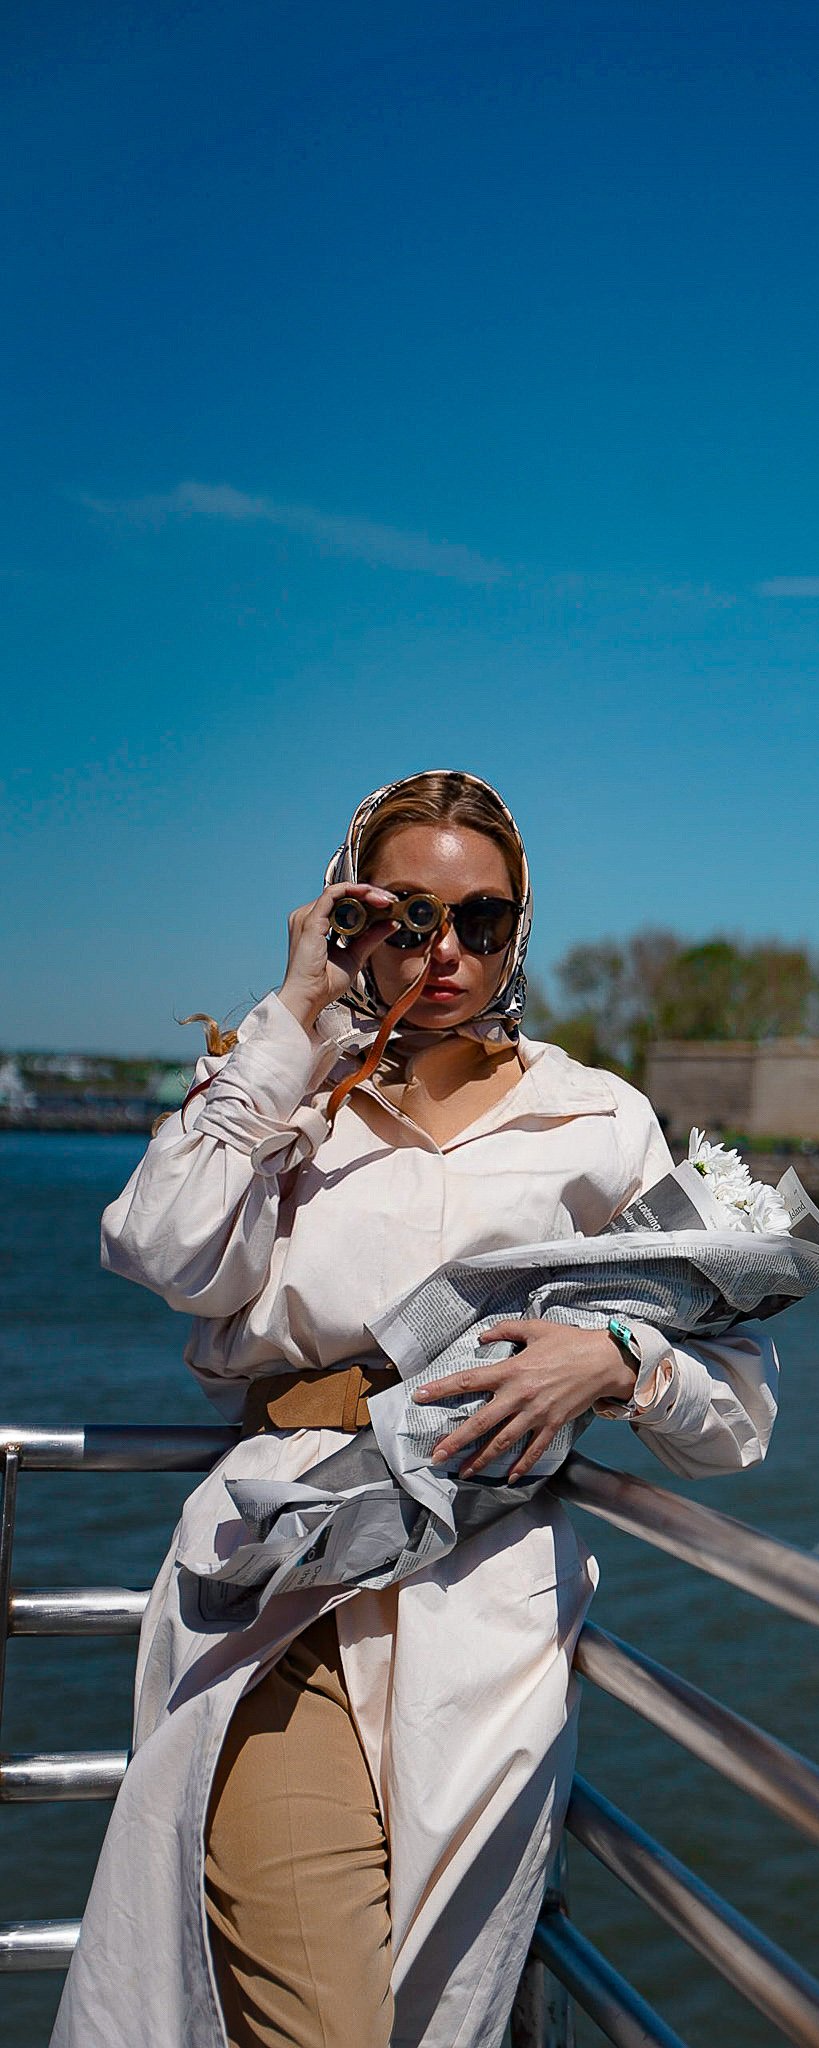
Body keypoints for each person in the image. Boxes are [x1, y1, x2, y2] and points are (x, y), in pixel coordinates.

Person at [53, 770, 777, 2048]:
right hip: (283, 1580)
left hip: (489, 1614)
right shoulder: (282, 1098)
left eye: (482, 921)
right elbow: (162, 1249)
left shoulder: (597, 1117)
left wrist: (614, 1360)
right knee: (314, 2012)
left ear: (519, 931)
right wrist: (291, 1015)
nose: (446, 950)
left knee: (434, 2014)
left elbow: (738, 1417)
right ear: (349, 917)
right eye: (405, 914)